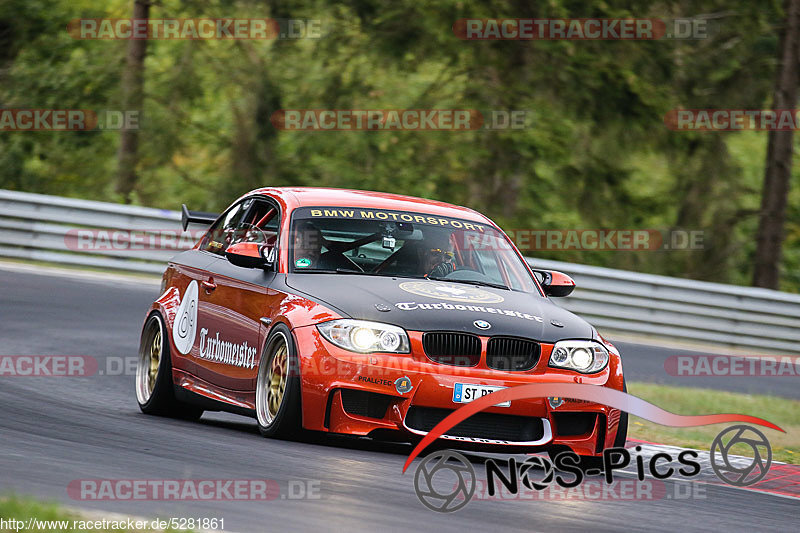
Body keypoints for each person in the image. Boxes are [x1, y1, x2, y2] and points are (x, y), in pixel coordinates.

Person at [292, 221, 360, 271]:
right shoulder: (283, 269)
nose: (312, 252)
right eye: (305, 247)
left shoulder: (329, 270)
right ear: (292, 246)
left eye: (317, 248)